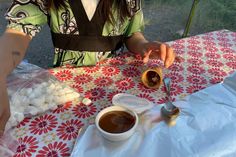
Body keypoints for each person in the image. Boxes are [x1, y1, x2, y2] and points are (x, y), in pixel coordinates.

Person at [0, 0, 175, 135]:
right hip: (65, 92)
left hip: (115, 88)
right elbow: (18, 32)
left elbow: (132, 34)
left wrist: (143, 45)